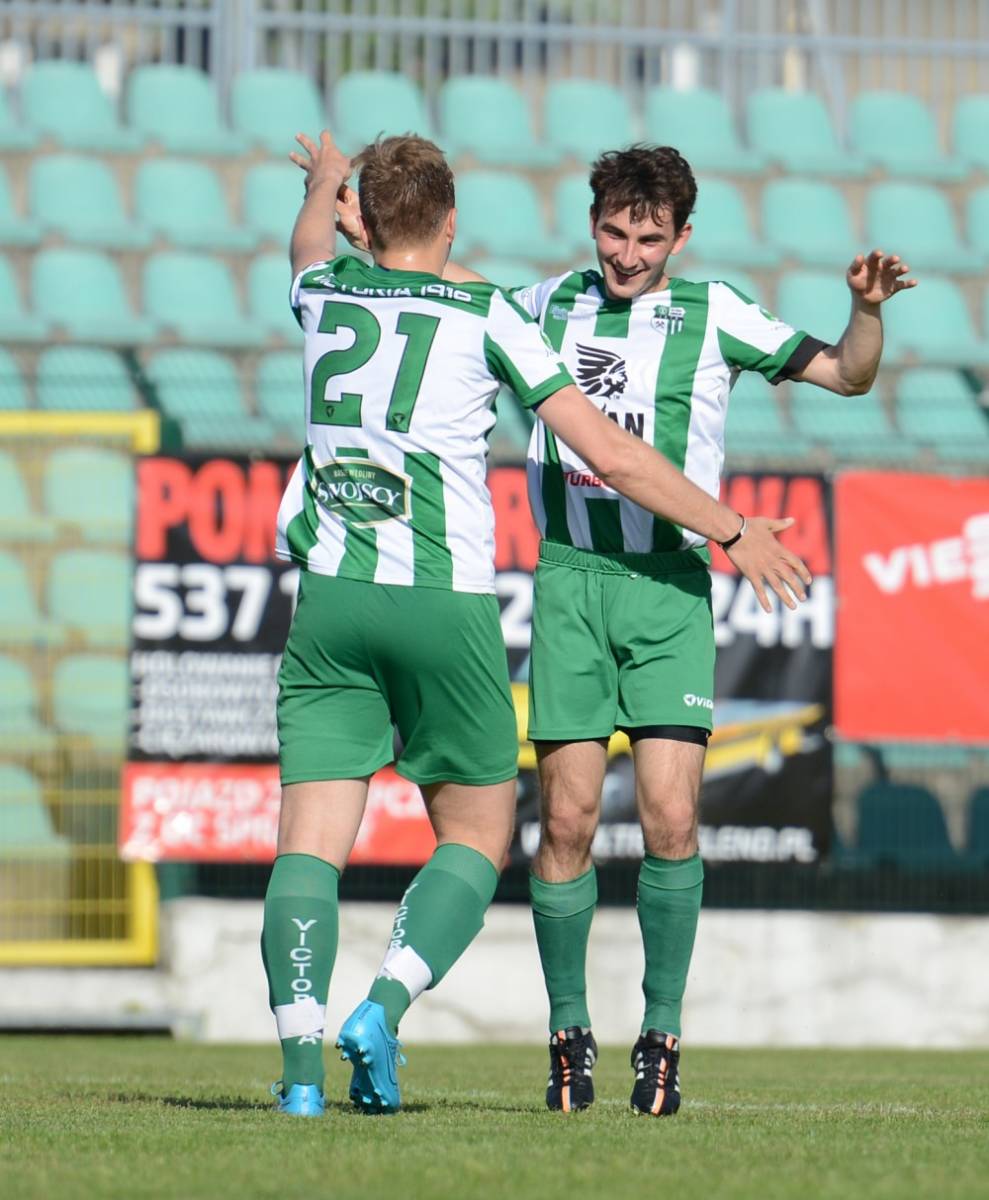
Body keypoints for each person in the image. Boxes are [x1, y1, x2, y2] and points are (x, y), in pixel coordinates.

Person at [264, 131, 812, 1118]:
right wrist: (731, 529)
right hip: (446, 602)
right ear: (452, 222)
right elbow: (615, 455)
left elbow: (307, 239)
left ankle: (301, 1080)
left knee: (306, 847)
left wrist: (324, 187)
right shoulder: (491, 314)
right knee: (481, 834)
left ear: (365, 223)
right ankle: (383, 1006)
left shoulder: (321, 290)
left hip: (329, 597)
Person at [430, 144, 916, 1117]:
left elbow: (847, 375)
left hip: (669, 589)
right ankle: (568, 1032)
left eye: (648, 238)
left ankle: (661, 1035)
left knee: (670, 819)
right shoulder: (541, 305)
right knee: (565, 821)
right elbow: (446, 282)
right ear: (592, 223)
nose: (627, 253)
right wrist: (378, 235)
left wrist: (864, 311)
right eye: (613, 231)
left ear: (681, 238)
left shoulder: (714, 312)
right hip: (569, 583)